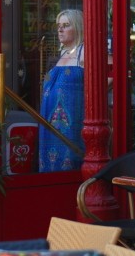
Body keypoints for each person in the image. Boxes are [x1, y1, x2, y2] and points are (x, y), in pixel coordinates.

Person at [39, 9, 85, 172]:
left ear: (78, 27)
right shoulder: (63, 52)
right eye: (59, 25)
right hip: (49, 125)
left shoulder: (84, 52)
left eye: (66, 25)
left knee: (69, 162)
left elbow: (112, 72)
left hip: (70, 125)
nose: (60, 29)